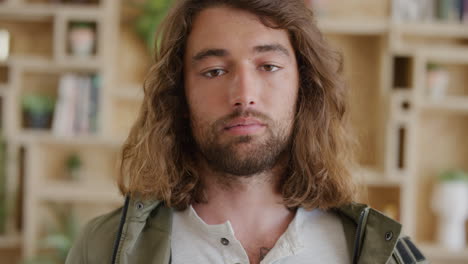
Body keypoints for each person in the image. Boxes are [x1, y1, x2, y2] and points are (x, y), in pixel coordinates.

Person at [66, 0, 427, 263]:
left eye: (268, 66)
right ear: (180, 93)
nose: (243, 96)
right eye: (214, 71)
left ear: (305, 86)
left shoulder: (383, 253)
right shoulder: (104, 248)